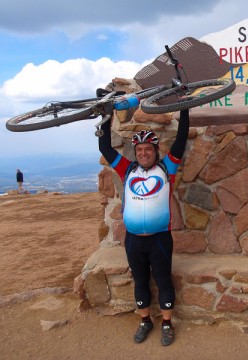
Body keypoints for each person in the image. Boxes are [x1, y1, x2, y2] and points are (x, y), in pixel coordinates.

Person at [98, 108, 190, 346]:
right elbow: (105, 149)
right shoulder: (127, 168)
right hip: (134, 240)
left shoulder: (167, 167)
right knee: (140, 281)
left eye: (148, 149)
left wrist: (185, 110)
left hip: (160, 238)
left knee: (163, 280)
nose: (144, 153)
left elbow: (181, 141)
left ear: (155, 151)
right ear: (135, 152)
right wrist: (105, 116)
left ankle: (167, 324)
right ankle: (145, 320)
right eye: (139, 150)